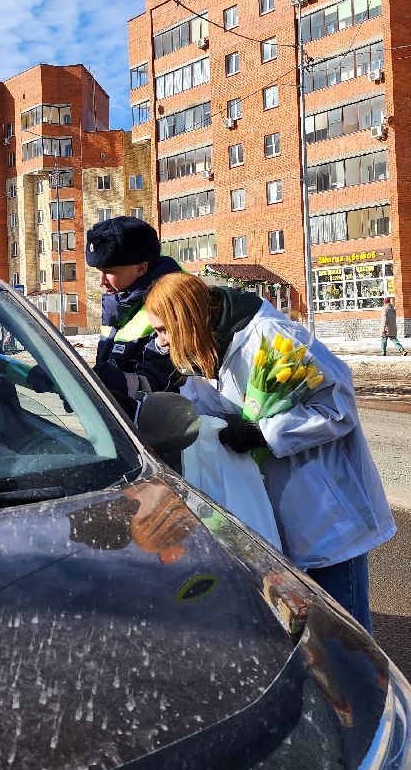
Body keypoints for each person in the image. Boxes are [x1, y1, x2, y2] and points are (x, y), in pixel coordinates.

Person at [144, 271, 395, 633]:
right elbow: (204, 411)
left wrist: (262, 433)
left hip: (326, 513)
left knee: (344, 634)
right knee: (306, 634)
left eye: (163, 330)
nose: (161, 342)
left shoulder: (274, 337)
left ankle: (367, 690)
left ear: (187, 319)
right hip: (273, 517)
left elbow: (338, 410)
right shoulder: (209, 350)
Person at [84, 216, 184, 415]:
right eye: (99, 272)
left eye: (109, 272)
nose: (101, 282)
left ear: (141, 268)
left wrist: (110, 385)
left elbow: (167, 379)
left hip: (161, 428)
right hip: (121, 420)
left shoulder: (174, 302)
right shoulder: (120, 300)